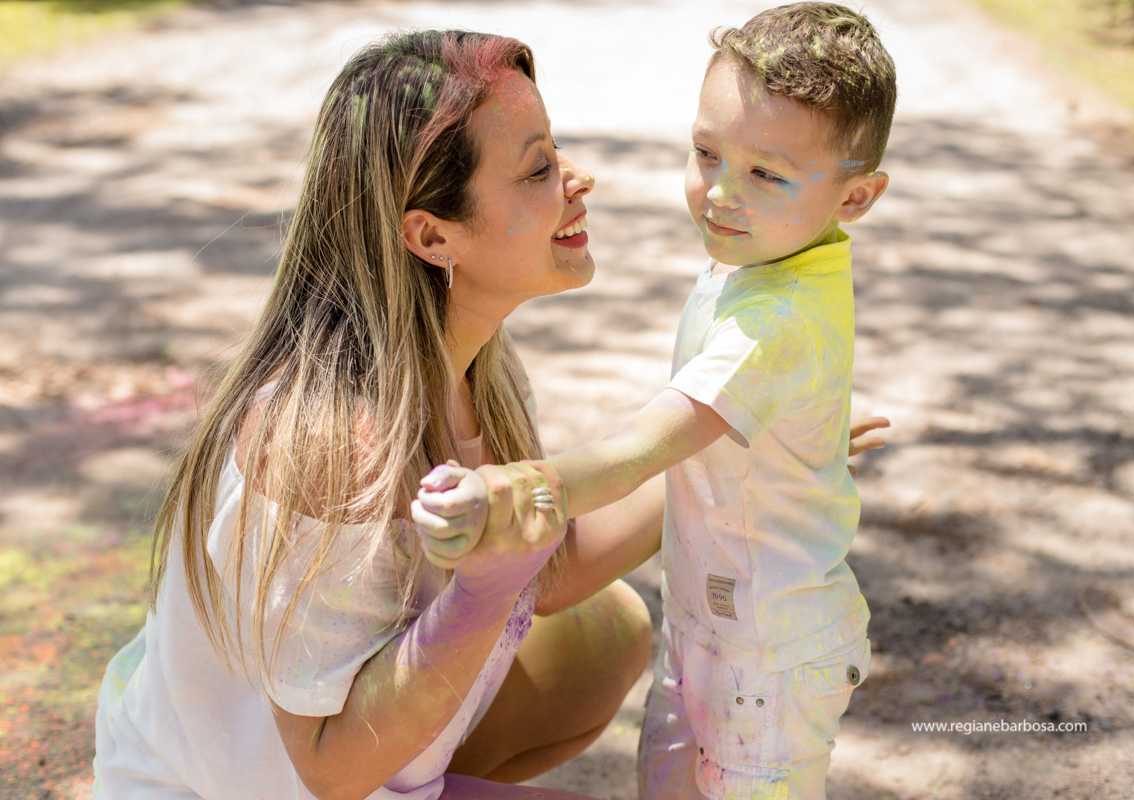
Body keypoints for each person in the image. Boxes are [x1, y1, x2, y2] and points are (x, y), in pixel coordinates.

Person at [91, 30, 662, 800]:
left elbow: (547, 565)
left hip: (339, 774)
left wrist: (730, 441)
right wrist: (482, 593)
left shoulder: (477, 365)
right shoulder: (327, 439)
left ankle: (432, 763)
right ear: (431, 235)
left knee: (608, 631)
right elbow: (330, 768)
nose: (578, 179)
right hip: (254, 787)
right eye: (538, 168)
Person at [411, 4, 897, 799]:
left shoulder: (774, 318)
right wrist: (798, 433)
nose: (720, 194)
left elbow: (642, 448)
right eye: (708, 153)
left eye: (766, 174)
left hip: (767, 663)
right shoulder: (765, 261)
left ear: (856, 198)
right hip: (707, 632)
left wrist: (511, 490)